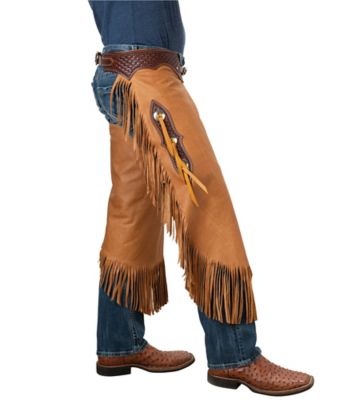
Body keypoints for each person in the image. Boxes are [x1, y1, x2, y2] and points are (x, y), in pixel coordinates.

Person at [88, 1, 314, 395]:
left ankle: (119, 343)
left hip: (123, 72)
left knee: (132, 211)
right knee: (206, 202)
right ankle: (235, 355)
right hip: (145, 76)